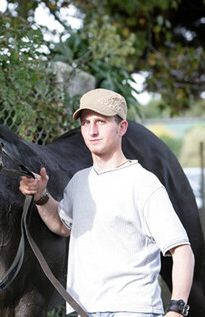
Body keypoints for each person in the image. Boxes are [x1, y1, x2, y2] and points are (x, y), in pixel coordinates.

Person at [19, 88, 195, 317]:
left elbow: (182, 250)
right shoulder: (80, 182)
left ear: (122, 128)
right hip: (82, 311)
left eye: (101, 122)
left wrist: (176, 310)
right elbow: (63, 225)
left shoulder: (143, 183)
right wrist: (41, 196)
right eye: (86, 123)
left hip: (131, 310)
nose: (92, 130)